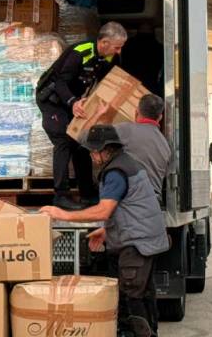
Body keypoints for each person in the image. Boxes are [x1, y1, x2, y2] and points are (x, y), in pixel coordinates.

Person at [40, 125, 169, 337]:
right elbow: (132, 208)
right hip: (146, 240)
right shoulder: (126, 163)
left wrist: (63, 214)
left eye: (93, 151)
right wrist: (107, 231)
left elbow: (104, 210)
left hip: (136, 244)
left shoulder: (116, 172)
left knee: (130, 296)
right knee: (144, 294)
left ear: (105, 149)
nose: (91, 155)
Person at [35, 21, 128, 210]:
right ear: (103, 43)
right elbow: (61, 82)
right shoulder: (81, 52)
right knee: (63, 141)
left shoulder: (109, 58)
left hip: (73, 100)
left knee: (81, 142)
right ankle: (60, 196)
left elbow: (105, 84)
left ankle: (87, 193)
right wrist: (72, 102)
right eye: (117, 47)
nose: (119, 52)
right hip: (53, 99)